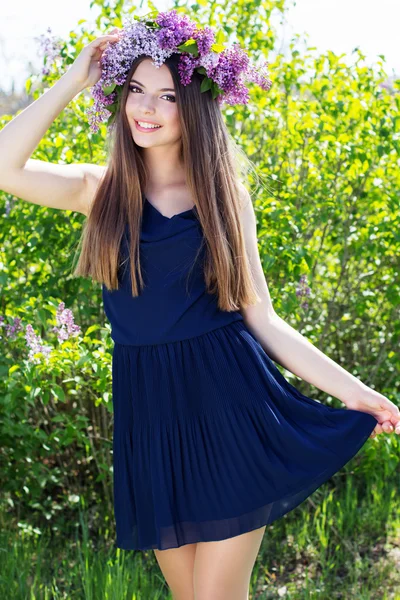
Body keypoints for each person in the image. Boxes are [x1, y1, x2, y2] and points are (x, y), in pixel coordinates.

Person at [0, 9, 399, 600]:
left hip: (229, 407)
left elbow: (262, 317)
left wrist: (356, 394)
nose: (146, 108)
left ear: (194, 107)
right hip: (151, 417)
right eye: (135, 90)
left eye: (166, 95)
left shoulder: (224, 199)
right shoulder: (99, 190)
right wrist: (76, 77)